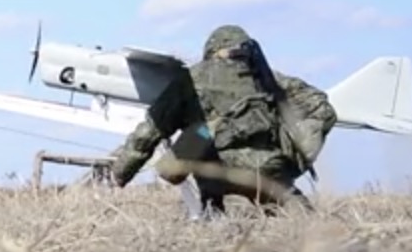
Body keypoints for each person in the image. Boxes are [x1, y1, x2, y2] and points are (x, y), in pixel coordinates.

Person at [107, 24, 337, 215]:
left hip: (215, 171)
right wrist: (299, 154)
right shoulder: (270, 79)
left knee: (199, 142)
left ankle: (212, 213)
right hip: (268, 168)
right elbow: (323, 110)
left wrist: (120, 174)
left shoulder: (191, 79)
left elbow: (149, 132)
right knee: (302, 220)